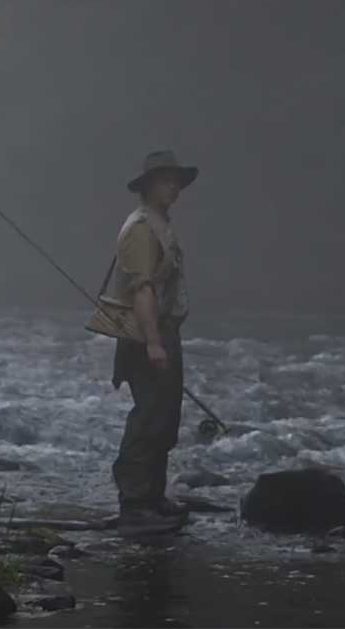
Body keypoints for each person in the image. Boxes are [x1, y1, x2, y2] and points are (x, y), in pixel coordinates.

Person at [110, 150, 197, 535]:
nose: (174, 187)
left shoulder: (161, 223)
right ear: (148, 186)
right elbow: (142, 289)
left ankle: (154, 497)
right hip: (146, 335)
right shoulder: (141, 228)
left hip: (162, 332)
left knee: (165, 417)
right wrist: (153, 343)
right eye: (166, 180)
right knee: (147, 418)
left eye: (176, 180)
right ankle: (134, 503)